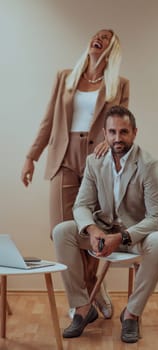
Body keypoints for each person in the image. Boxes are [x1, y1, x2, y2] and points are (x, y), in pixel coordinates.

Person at [21, 29, 130, 320]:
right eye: (97, 35)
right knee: (61, 231)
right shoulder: (65, 77)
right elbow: (48, 120)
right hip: (64, 156)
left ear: (112, 49)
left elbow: (122, 124)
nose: (99, 39)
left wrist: (111, 141)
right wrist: (31, 157)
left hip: (98, 161)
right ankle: (88, 293)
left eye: (107, 38)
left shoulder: (118, 84)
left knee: (93, 228)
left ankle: (88, 294)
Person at [52, 105, 158, 343]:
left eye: (124, 132)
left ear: (134, 133)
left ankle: (131, 314)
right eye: (113, 132)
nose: (118, 138)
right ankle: (83, 308)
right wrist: (94, 230)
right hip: (104, 232)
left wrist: (123, 237)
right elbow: (81, 205)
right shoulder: (95, 162)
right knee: (62, 232)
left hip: (138, 236)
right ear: (105, 135)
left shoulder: (148, 164)